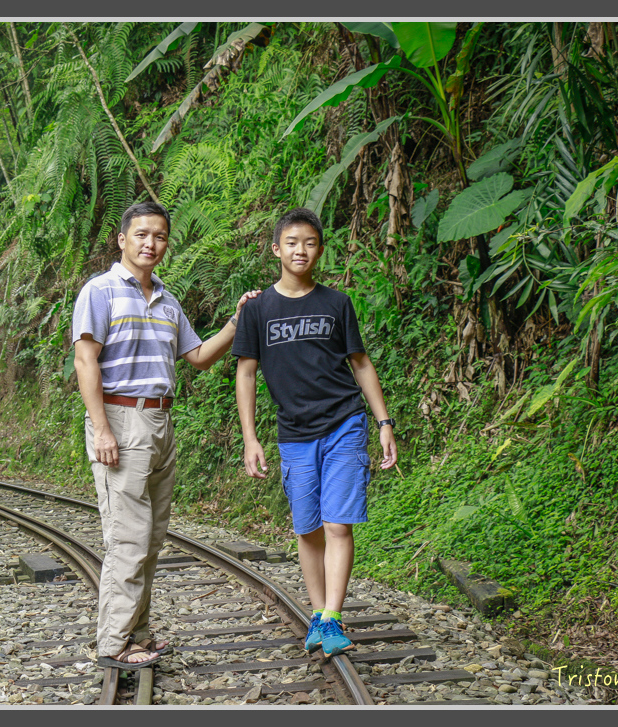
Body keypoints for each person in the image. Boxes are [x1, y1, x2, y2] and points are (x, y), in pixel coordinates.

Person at [72, 201, 259, 669]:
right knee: (128, 539)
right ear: (122, 239)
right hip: (120, 419)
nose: (150, 243)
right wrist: (101, 429)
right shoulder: (100, 291)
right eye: (141, 234)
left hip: (161, 423)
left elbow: (198, 357)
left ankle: (137, 633)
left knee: (151, 539)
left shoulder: (167, 300)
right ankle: (113, 644)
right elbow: (85, 360)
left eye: (159, 236)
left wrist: (236, 321)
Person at [231, 207, 397, 660]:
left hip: (345, 422)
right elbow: (246, 374)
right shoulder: (258, 309)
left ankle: (331, 619)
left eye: (309, 243)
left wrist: (384, 423)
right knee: (308, 529)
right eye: (291, 242)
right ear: (276, 249)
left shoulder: (336, 303)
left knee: (337, 523)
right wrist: (250, 437)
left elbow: (360, 363)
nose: (300, 250)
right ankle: (319, 613)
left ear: (319, 250)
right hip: (294, 433)